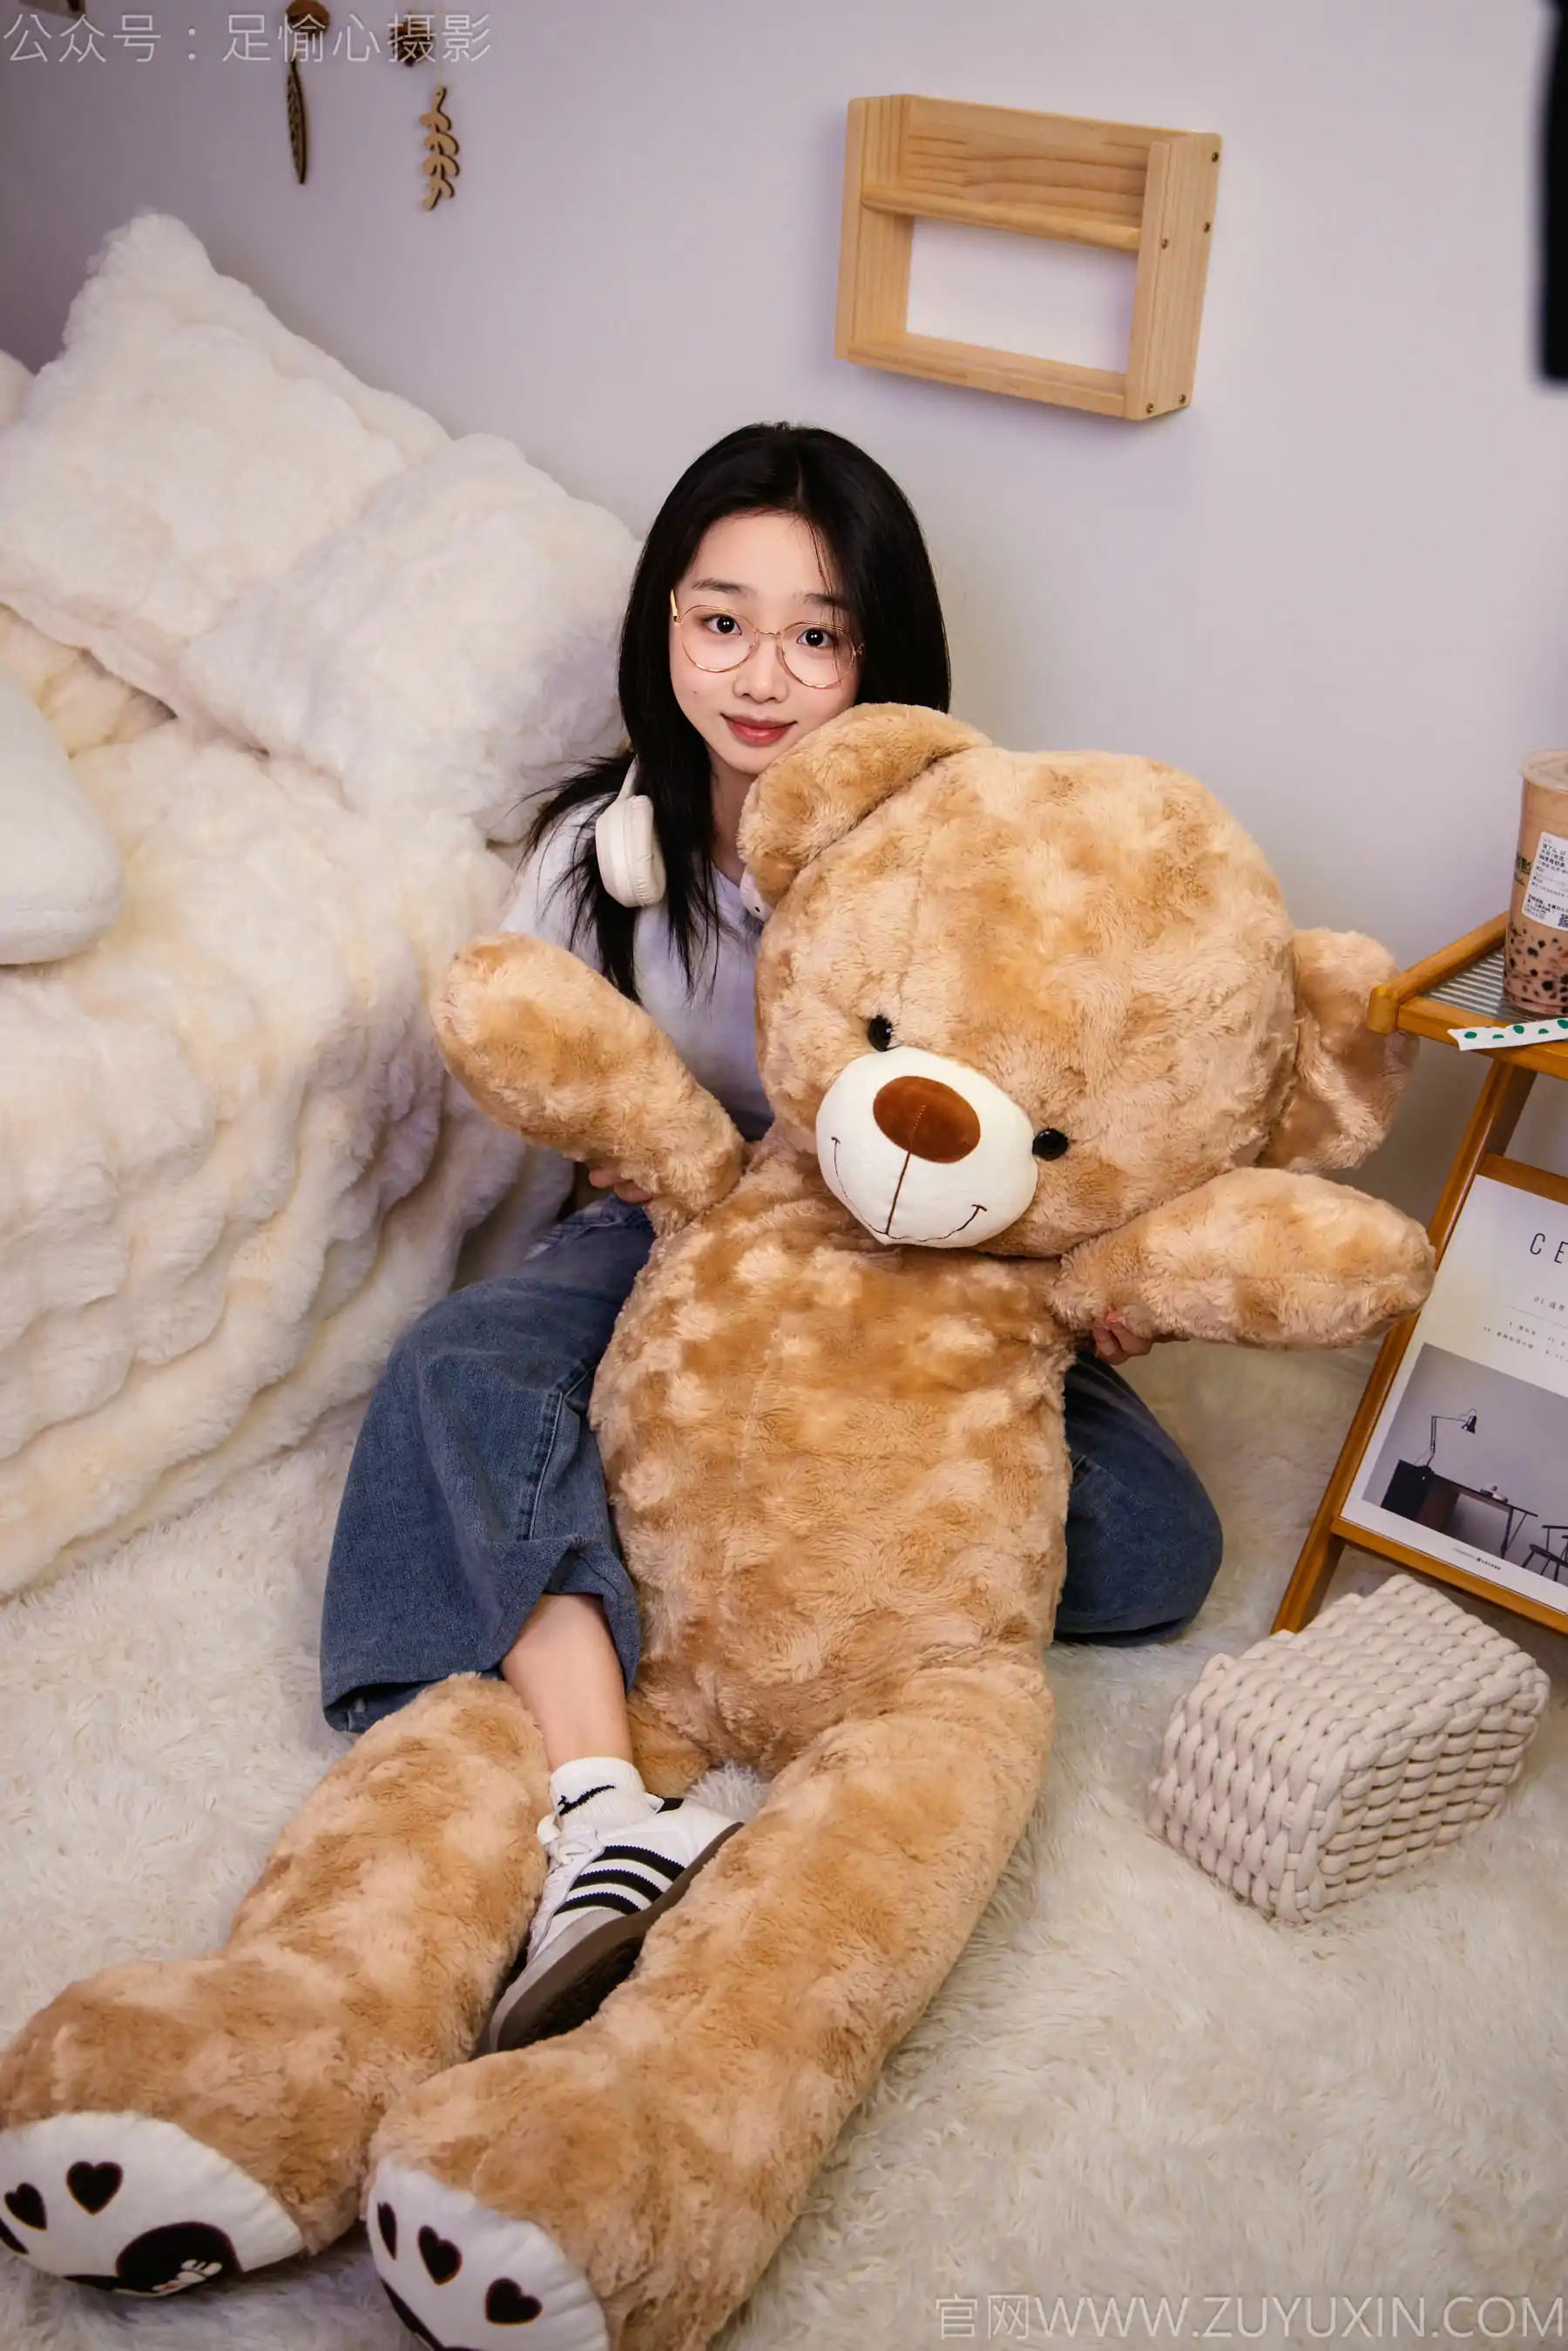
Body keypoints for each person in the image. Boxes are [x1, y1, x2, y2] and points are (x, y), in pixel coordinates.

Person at [319, 422, 1223, 2053]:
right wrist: (628, 1193)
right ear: (663, 622)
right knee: (453, 1377)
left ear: (881, 656)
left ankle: (742, 1570)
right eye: (721, 619)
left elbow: (1077, 1067)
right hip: (667, 1220)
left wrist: (1101, 1274)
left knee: (1158, 1538)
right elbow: (538, 1062)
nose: (760, 674)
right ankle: (604, 1806)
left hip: (920, 1264)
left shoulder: (960, 852)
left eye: (818, 635)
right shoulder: (594, 857)